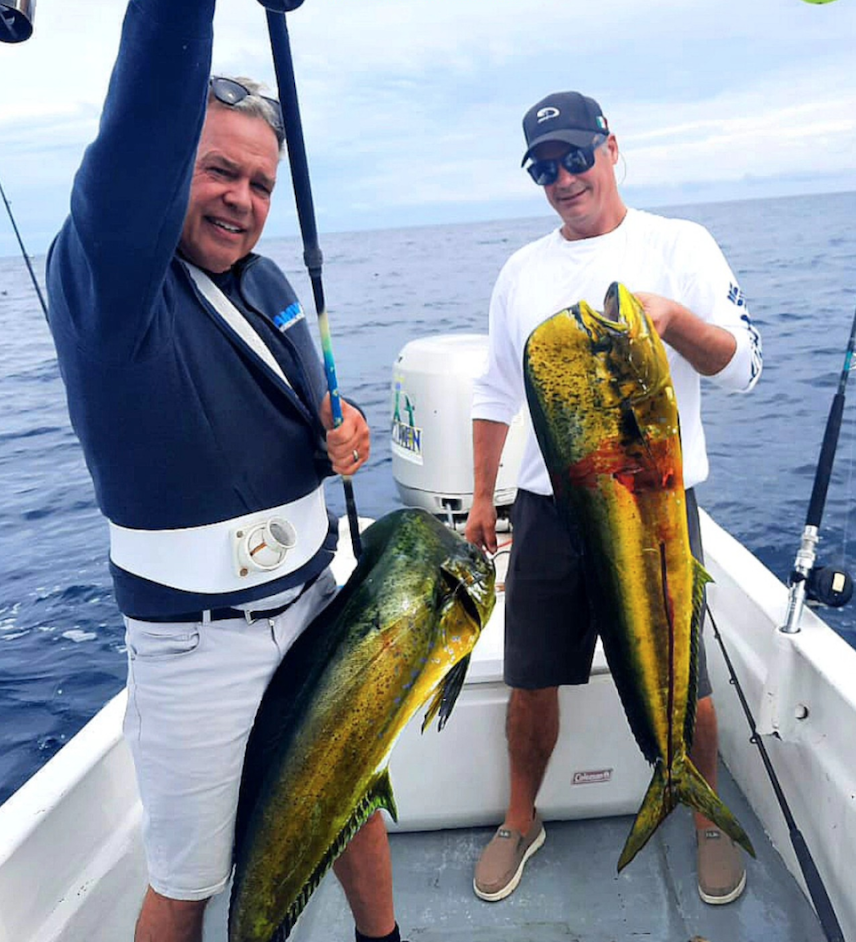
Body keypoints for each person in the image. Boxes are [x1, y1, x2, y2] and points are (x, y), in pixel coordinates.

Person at [44, 2, 405, 941]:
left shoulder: (270, 286)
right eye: (215, 169)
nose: (240, 198)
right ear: (171, 172)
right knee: (189, 878)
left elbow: (319, 413)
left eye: (259, 181)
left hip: (319, 607)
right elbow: (142, 116)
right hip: (197, 646)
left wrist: (349, 427)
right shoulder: (111, 287)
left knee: (356, 797)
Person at [466, 91, 763, 908]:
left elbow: (742, 367)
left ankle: (701, 812)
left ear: (611, 148)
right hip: (546, 511)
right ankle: (521, 817)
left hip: (656, 512)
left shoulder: (679, 245)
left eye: (574, 156)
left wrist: (674, 322)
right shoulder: (521, 271)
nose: (563, 178)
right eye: (544, 167)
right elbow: (494, 392)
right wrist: (483, 500)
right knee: (532, 679)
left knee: (684, 675)